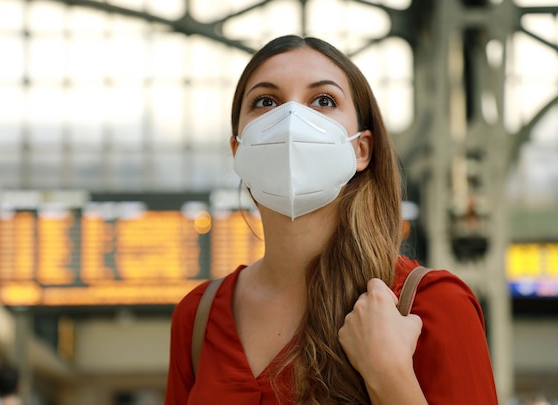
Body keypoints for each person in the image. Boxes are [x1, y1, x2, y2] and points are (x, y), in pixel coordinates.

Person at [166, 34, 498, 404]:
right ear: (238, 149)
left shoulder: (431, 306)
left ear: (361, 150)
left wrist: (389, 374)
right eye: (266, 101)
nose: (291, 121)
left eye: (323, 101)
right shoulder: (198, 317)